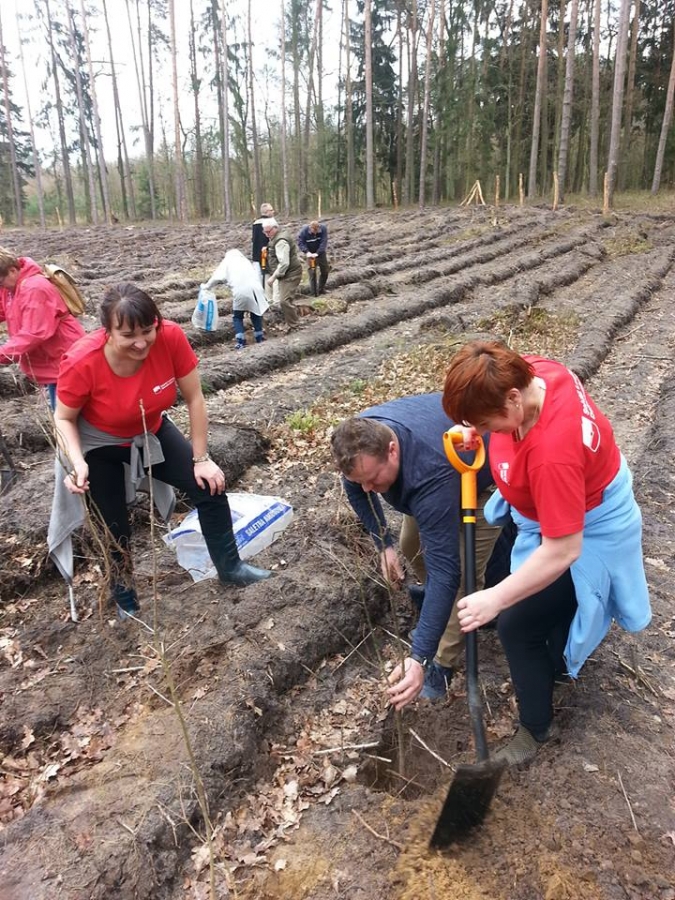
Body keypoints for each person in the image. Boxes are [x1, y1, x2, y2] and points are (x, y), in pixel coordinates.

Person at [442, 340, 651, 765]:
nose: (485, 432)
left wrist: (495, 598)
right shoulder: (533, 372)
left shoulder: (552, 455)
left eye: (487, 423)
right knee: (537, 602)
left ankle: (534, 729)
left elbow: (563, 550)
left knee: (516, 625)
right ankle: (552, 664)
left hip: (588, 530)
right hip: (551, 509)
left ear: (513, 399)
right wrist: (475, 426)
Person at [52, 283, 271, 620]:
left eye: (147, 330)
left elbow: (195, 398)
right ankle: (125, 598)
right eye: (128, 335)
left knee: (209, 487)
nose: (141, 342)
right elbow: (64, 418)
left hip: (150, 429)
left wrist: (201, 459)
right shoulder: (83, 361)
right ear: (107, 331)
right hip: (98, 444)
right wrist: (77, 462)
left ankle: (231, 568)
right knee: (113, 525)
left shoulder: (170, 337)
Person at [330, 394, 507, 705]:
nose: (367, 488)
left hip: (481, 479)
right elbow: (357, 489)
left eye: (372, 479)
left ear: (392, 450)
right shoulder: (360, 447)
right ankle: (438, 608)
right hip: (433, 473)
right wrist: (383, 544)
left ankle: (443, 662)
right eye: (360, 480)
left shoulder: (429, 472)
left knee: (462, 576)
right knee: (410, 545)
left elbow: (446, 572)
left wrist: (419, 658)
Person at [0, 247, 85, 409]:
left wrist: (2, 353)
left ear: (12, 270)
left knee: (68, 415)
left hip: (65, 359)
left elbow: (33, 334)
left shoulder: (34, 288)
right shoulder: (10, 288)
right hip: (51, 363)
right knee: (62, 413)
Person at [205, 249, 269, 349]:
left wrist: (206, 287)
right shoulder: (245, 261)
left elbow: (217, 277)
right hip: (256, 289)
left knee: (238, 317)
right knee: (255, 313)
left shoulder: (228, 262)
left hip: (241, 291)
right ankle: (259, 337)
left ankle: (240, 341)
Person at [262, 218, 308, 328]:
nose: (266, 234)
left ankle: (294, 325)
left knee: (284, 301)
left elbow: (284, 263)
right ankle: (290, 321)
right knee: (283, 300)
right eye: (265, 232)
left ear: (275, 228)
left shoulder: (281, 242)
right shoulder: (276, 237)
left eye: (268, 231)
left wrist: (273, 278)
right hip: (285, 274)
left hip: (291, 274)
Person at [297, 220, 330, 294]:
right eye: (313, 231)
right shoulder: (304, 231)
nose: (315, 233)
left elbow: (323, 242)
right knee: (312, 272)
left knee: (325, 270)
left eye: (316, 231)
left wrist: (318, 253)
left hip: (320, 252)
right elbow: (301, 243)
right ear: (310, 228)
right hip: (310, 252)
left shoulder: (323, 229)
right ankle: (313, 292)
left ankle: (321, 289)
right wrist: (307, 252)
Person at [251, 202, 275, 291]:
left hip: (257, 255)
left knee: (259, 279)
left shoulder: (255, 223)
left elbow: (253, 240)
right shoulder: (271, 223)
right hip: (268, 255)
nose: (273, 211)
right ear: (266, 212)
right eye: (271, 210)